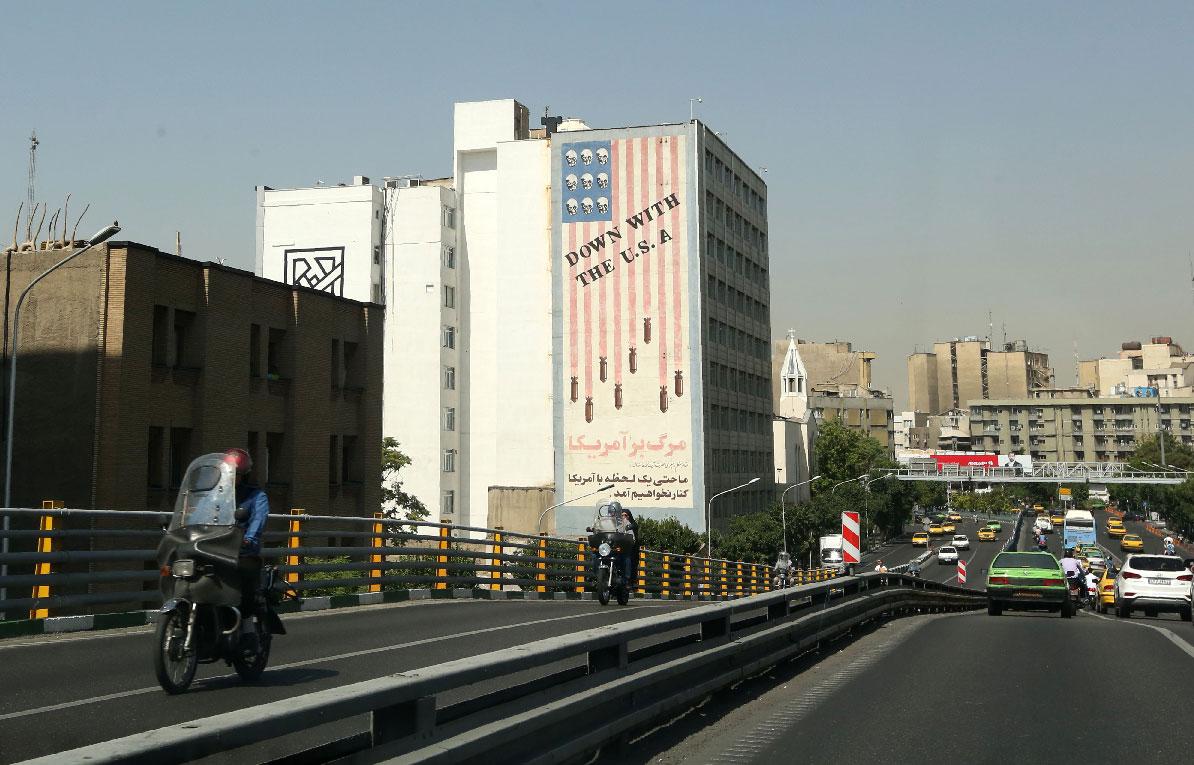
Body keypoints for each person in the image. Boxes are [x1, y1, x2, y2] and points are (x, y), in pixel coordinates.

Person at [224, 448, 270, 616]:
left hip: (243, 553)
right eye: (227, 472)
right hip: (217, 550)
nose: (230, 477)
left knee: (246, 599)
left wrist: (249, 538)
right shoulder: (217, 495)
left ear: (244, 475)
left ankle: (247, 630)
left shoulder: (256, 496)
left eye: (235, 473)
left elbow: (259, 519)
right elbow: (201, 512)